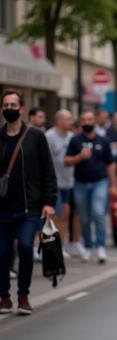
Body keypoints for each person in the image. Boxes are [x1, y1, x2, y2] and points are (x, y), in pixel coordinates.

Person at [0, 90, 57, 315]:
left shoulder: (35, 136)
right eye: (5, 105)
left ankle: (23, 295)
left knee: (25, 247)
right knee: (2, 253)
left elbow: (47, 170)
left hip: (30, 208)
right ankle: (4, 297)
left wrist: (49, 201)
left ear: (22, 109)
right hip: (3, 209)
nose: (9, 109)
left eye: (13, 105)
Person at [65, 110, 117, 263]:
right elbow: (66, 161)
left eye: (89, 119)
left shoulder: (103, 141)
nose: (87, 122)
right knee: (85, 217)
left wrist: (113, 184)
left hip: (99, 182)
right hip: (80, 183)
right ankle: (88, 246)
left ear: (94, 121)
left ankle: (101, 246)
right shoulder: (75, 141)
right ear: (80, 123)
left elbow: (111, 164)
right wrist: (79, 157)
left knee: (98, 212)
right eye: (84, 120)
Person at [45, 109, 75, 258]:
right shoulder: (49, 136)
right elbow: (44, 160)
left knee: (65, 215)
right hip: (54, 183)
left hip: (67, 182)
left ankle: (61, 246)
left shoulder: (71, 136)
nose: (71, 121)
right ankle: (50, 247)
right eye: (68, 118)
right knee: (54, 216)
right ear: (59, 121)